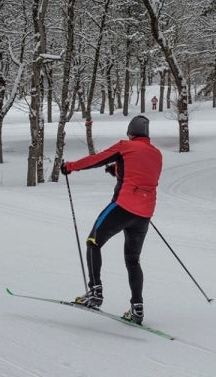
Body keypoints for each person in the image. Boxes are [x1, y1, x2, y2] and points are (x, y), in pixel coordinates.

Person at [60, 115, 162, 324]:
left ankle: (95, 292)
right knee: (133, 260)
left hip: (122, 206)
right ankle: (137, 309)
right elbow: (140, 172)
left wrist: (70, 166)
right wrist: (116, 170)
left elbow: (96, 159)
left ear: (130, 133)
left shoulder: (125, 146)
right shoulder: (156, 154)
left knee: (93, 242)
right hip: (144, 214)